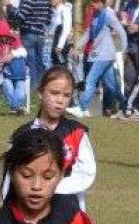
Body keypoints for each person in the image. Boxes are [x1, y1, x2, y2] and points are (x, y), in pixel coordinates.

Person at [7, 66, 96, 210]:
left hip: (68, 213)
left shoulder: (77, 133)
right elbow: (9, 180)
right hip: (30, 216)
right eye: (54, 93)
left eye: (66, 95)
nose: (60, 100)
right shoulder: (22, 135)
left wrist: (51, 187)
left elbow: (87, 173)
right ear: (41, 93)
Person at [68, 0, 127, 119]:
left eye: (95, 2)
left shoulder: (108, 14)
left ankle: (82, 108)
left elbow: (121, 31)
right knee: (112, 86)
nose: (92, 5)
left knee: (90, 80)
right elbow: (88, 34)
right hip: (97, 53)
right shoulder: (96, 14)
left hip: (105, 54)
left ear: (101, 2)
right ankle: (126, 106)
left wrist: (124, 50)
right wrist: (77, 47)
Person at [0, 18, 29, 113]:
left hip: (16, 71)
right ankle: (17, 108)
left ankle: (14, 107)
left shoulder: (14, 39)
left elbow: (24, 52)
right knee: (7, 84)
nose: (4, 38)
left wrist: (12, 54)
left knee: (20, 85)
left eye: (6, 35)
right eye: (1, 35)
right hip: (0, 72)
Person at [3, 0, 52, 86]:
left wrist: (10, 6)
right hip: (41, 34)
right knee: (40, 63)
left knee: (30, 63)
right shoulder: (47, 2)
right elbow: (49, 19)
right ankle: (41, 88)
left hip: (29, 34)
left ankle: (33, 89)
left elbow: (21, 16)